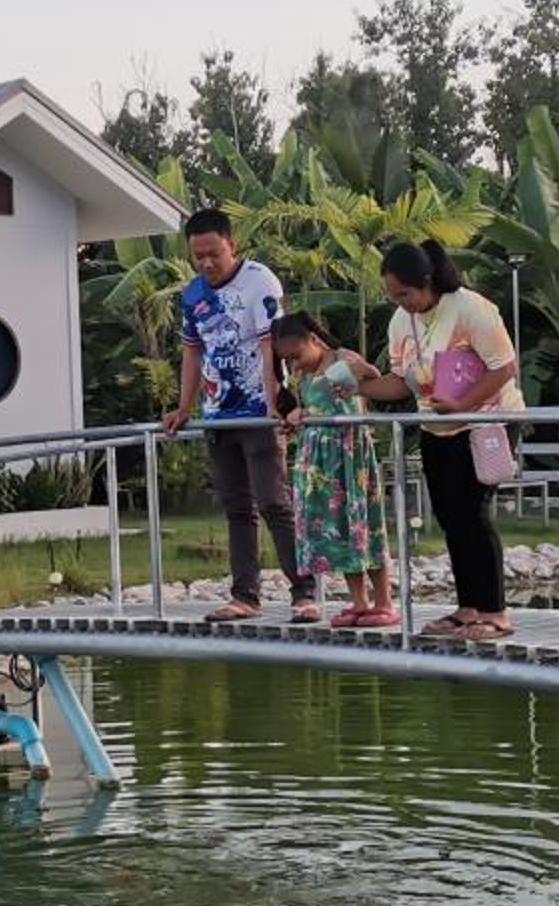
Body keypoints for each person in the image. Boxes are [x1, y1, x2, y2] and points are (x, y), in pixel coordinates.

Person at [357, 239, 524, 640]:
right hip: (437, 426)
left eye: (405, 293)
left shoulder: (470, 308)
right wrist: (358, 387)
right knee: (450, 518)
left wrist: (463, 404)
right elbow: (399, 383)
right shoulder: (402, 322)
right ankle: (468, 608)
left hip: (484, 423)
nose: (401, 302)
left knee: (473, 514)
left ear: (427, 282)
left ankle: (495, 612)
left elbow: (504, 367)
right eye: (393, 296)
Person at [159, 208, 320, 624]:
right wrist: (184, 406)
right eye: (199, 256)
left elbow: (271, 344)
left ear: (233, 245)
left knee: (273, 500)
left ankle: (304, 591)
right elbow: (192, 351)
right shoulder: (193, 294)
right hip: (218, 414)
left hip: (257, 411)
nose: (208, 263)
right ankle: (245, 594)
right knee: (236, 506)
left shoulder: (259, 281)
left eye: (215, 253)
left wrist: (273, 400)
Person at [271, 312, 397, 628]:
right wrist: (299, 413)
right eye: (288, 361)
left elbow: (371, 376)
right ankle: (359, 602)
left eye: (297, 356)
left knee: (363, 526)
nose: (295, 365)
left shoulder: (341, 359)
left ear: (314, 340)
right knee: (338, 530)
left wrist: (350, 370)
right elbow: (315, 407)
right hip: (319, 464)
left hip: (349, 457)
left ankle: (383, 601)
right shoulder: (303, 376)